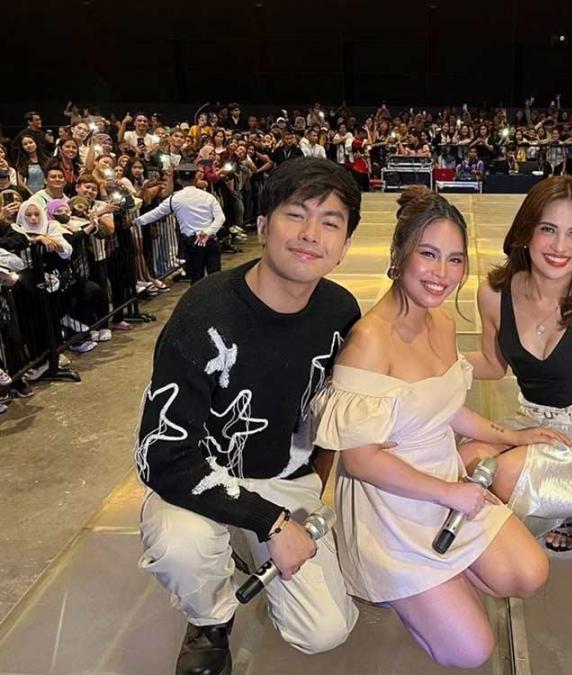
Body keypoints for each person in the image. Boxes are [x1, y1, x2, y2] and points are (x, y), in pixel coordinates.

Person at [137, 158, 365, 675]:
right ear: (263, 226)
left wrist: (311, 490)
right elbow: (161, 454)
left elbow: (334, 412)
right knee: (181, 546)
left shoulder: (340, 312)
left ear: (344, 245)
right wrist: (271, 522)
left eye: (330, 222)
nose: (311, 235)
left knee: (324, 630)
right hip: (203, 473)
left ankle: (243, 544)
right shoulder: (204, 313)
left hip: (285, 479)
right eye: (295, 215)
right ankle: (210, 617)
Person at [313, 187, 550, 669]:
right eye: (428, 254)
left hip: (444, 481)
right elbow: (360, 460)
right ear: (399, 255)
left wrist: (513, 436)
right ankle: (405, 591)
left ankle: (443, 585)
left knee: (529, 573)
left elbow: (446, 407)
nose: (442, 273)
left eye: (454, 259)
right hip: (390, 506)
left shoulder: (441, 323)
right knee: (471, 650)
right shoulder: (369, 340)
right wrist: (449, 493)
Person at [461, 175, 572, 551]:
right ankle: (533, 518)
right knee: (464, 459)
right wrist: (431, 364)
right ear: (526, 231)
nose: (559, 246)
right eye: (548, 229)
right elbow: (492, 363)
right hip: (533, 424)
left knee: (506, 475)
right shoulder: (494, 294)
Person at [132, 163, 225, 285]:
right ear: (195, 179)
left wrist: (135, 222)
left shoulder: (174, 199)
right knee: (215, 279)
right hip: (210, 240)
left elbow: (155, 214)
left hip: (192, 242)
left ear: (179, 180)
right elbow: (220, 218)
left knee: (197, 281)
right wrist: (207, 232)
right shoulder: (208, 197)